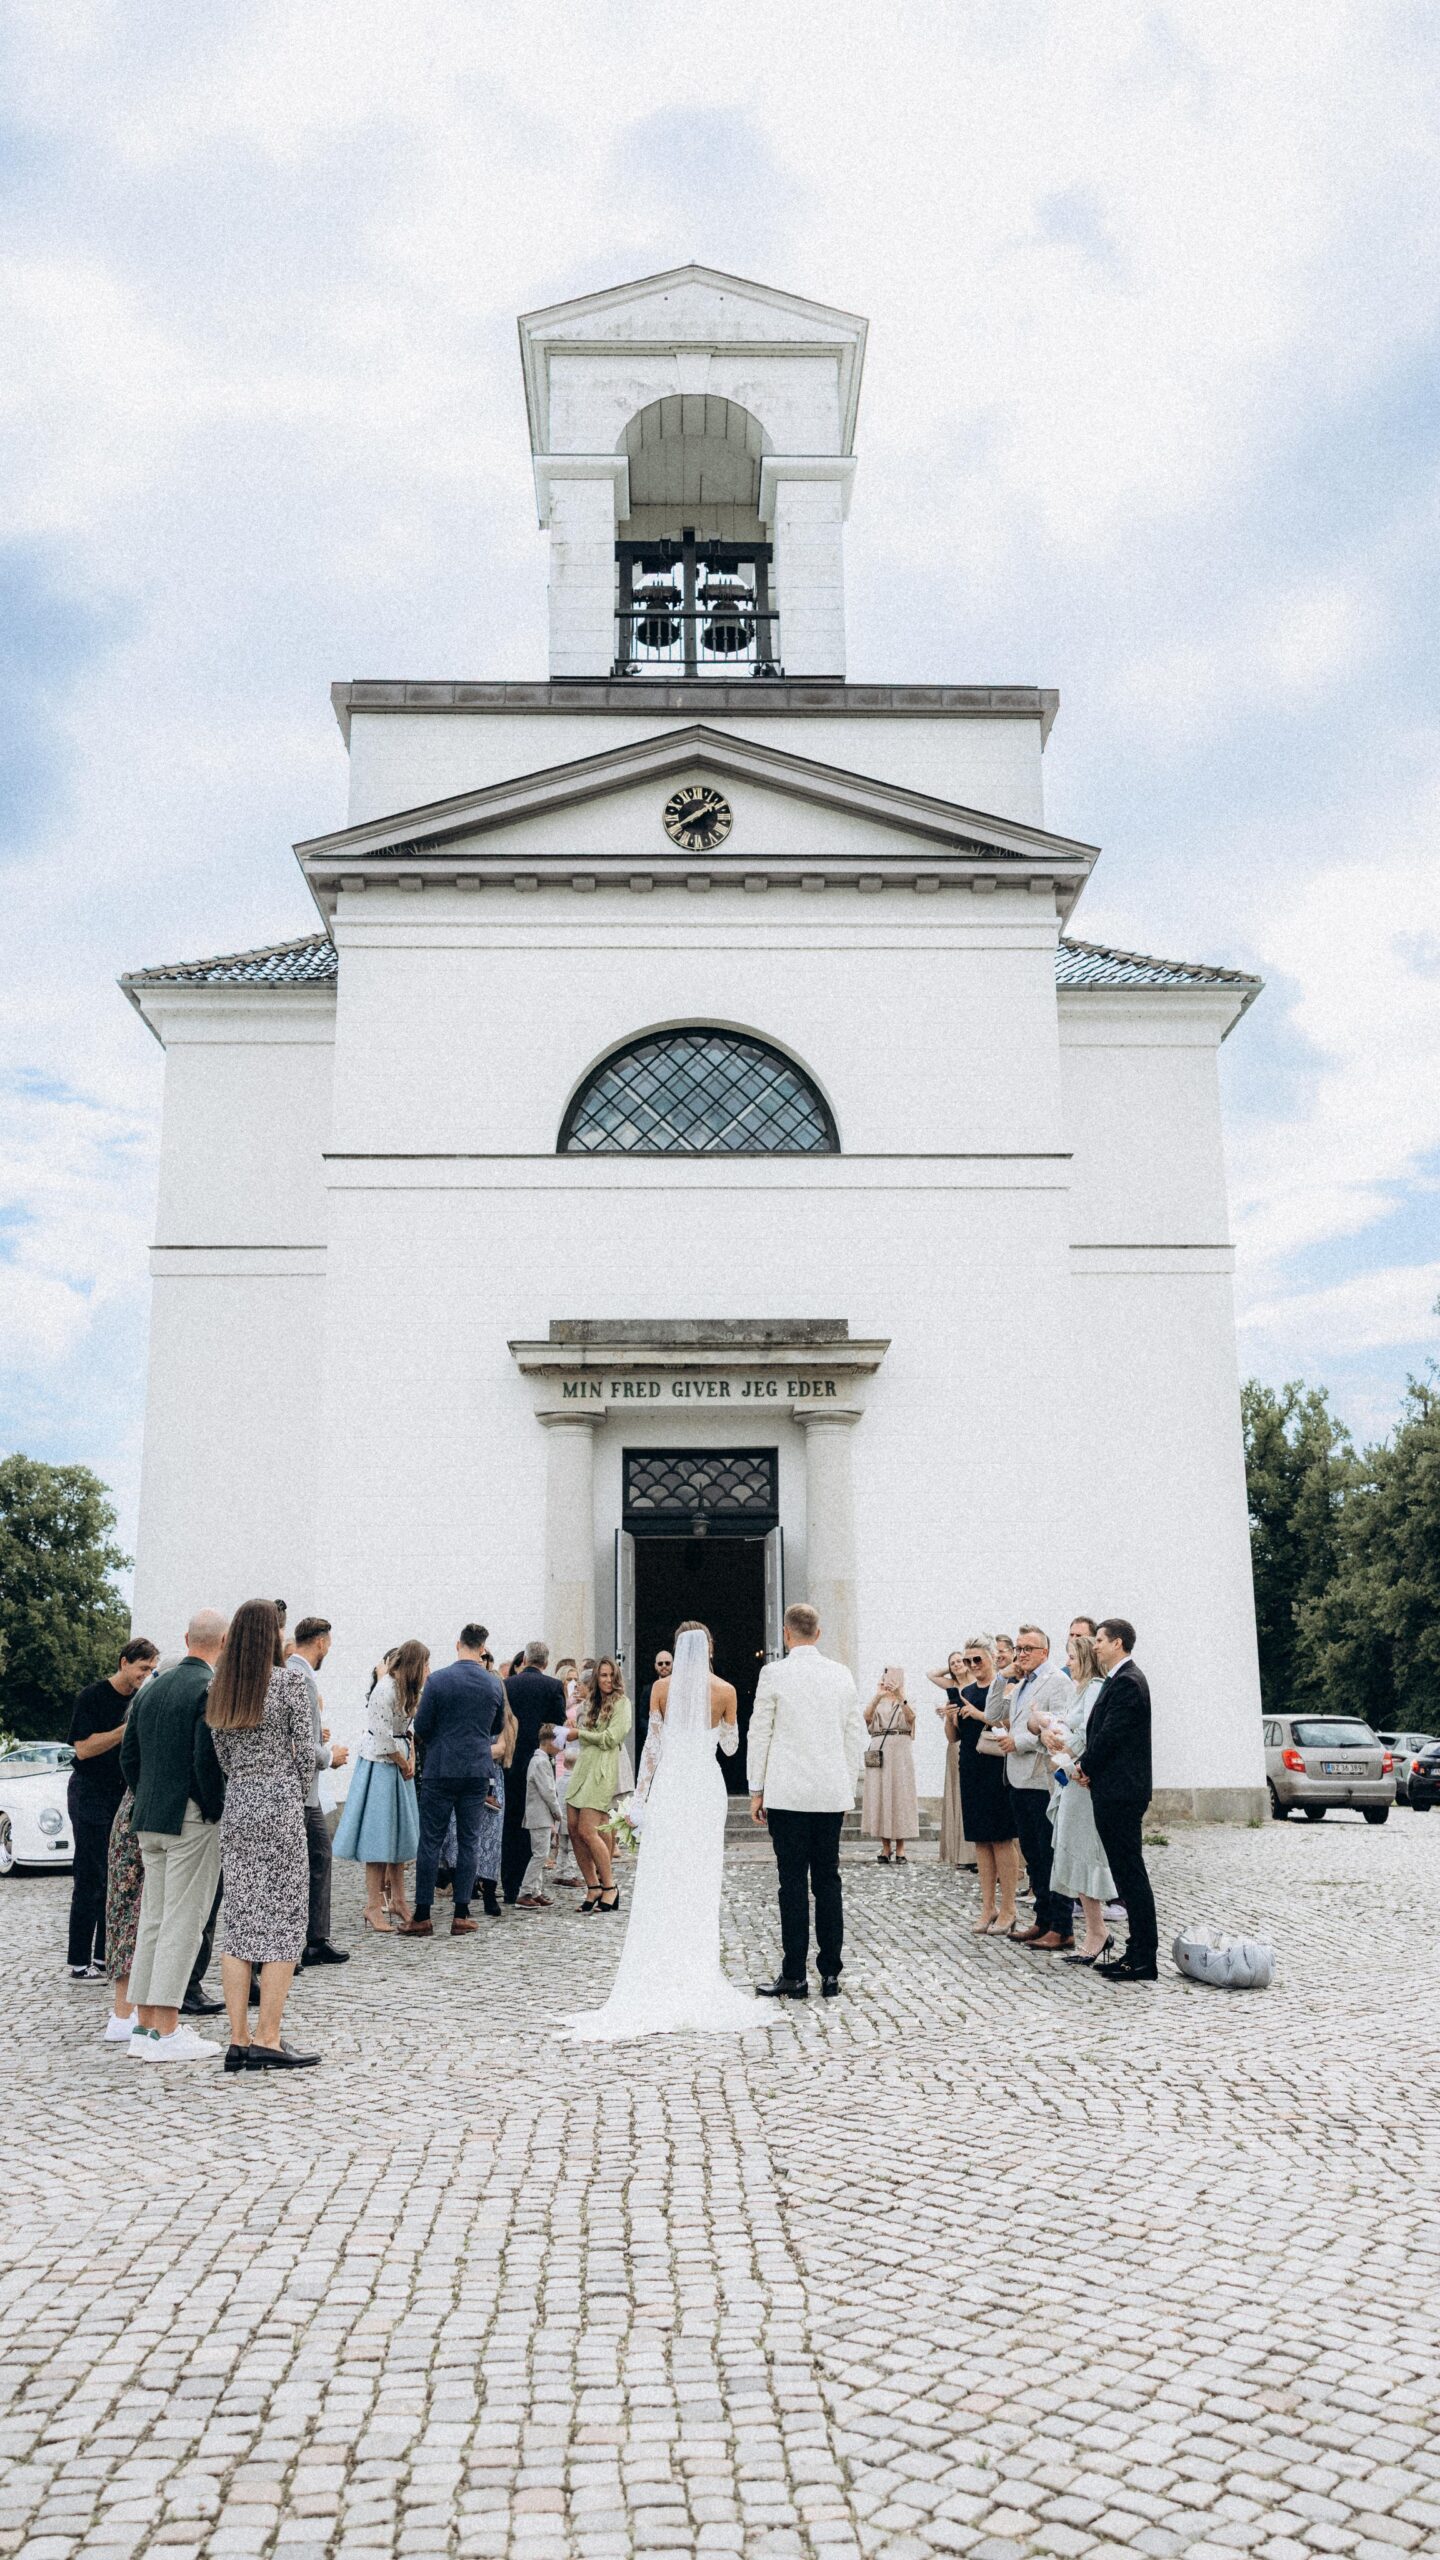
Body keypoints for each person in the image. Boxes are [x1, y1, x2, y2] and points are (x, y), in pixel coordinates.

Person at [563, 1625, 776, 2041]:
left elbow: (652, 1749)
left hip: (672, 1785)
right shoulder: (726, 1691)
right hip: (704, 1785)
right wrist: (718, 1726)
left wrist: (639, 1799)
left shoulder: (662, 1689)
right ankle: (695, 1968)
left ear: (678, 1651)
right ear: (710, 1648)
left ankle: (661, 1963)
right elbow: (731, 1748)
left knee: (664, 1877)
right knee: (700, 1880)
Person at [207, 1598, 319, 2069]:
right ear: (274, 1634)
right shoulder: (290, 1682)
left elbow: (222, 1754)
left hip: (239, 1804)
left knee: (239, 1919)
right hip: (279, 1804)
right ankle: (268, 2037)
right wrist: (300, 1777)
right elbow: (303, 1751)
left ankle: (238, 2038)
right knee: (286, 1918)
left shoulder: (221, 1687)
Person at [119, 1610, 229, 2061]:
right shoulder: (209, 1688)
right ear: (223, 1642)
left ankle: (143, 2026)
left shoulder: (151, 1686)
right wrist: (213, 1808)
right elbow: (207, 1759)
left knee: (155, 1919)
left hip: (149, 1814)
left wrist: (147, 1794)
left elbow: (128, 1756)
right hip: (190, 1815)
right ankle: (165, 2028)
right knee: (185, 1919)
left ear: (186, 1639)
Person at [748, 1601, 865, 1999]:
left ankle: (794, 1973)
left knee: (792, 1883)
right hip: (830, 1793)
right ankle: (830, 1972)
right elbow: (855, 1734)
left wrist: (756, 1787)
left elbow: (759, 1731)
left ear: (786, 1633)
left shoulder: (773, 1674)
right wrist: (848, 1784)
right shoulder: (841, 1675)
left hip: (788, 1792)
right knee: (829, 1880)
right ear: (818, 1633)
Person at [398, 1625, 503, 1939]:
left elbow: (424, 1725)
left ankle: (423, 1914)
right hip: (476, 1769)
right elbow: (495, 1725)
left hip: (442, 1767)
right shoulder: (493, 1683)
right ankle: (461, 1913)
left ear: (458, 1644)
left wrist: (440, 1742)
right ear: (483, 1648)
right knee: (469, 1841)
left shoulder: (439, 1680)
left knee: (430, 1840)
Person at [65, 1638, 158, 1980]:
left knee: (118, 1877)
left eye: (151, 1670)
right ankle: (78, 1960)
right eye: (141, 1668)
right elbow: (84, 1749)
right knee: (90, 1875)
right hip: (89, 1792)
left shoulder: (142, 1698)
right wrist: (125, 1730)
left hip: (123, 1794)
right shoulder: (91, 1697)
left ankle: (106, 1956)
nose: (145, 1676)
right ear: (123, 1663)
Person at [1075, 1618, 1157, 1982]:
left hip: (1121, 1791)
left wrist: (1084, 1765)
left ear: (1118, 1643)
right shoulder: (1119, 1680)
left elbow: (1111, 1735)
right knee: (1126, 1874)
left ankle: (1142, 1958)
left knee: (1130, 1875)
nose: (1095, 1646)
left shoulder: (1127, 1682)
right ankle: (1135, 1952)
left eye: (1101, 1640)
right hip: (1113, 1788)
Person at [993, 1624, 1074, 1952]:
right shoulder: (1021, 1682)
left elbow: (1060, 1724)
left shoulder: (1057, 1681)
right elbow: (992, 1713)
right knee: (1033, 1855)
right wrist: (1001, 1678)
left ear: (1045, 1651)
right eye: (1018, 1648)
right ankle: (1042, 1918)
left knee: (1049, 1853)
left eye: (1028, 1648)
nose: (1021, 1653)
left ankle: (1062, 1925)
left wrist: (1021, 1740)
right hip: (1017, 1778)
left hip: (1041, 1778)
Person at [334, 1643, 424, 1929]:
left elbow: (404, 1730)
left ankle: (399, 1899)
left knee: (399, 1836)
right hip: (382, 1766)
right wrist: (402, 1761)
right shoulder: (384, 1690)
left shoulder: (405, 1689)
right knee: (379, 1836)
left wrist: (409, 1755)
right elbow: (383, 1738)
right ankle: (373, 1905)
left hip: (399, 1763)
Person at [1040, 1630, 1116, 1963]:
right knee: (1072, 1849)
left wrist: (1065, 1742)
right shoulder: (1078, 1690)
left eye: (1071, 1656)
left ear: (1085, 1658)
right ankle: (1093, 1928)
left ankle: (1098, 1931)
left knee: (1084, 1851)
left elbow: (1089, 1732)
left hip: (1082, 1779)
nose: (1067, 1663)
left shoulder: (1095, 1689)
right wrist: (1053, 1733)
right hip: (1069, 1776)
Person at [287, 1616, 350, 1967]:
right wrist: (330, 1755)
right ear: (322, 1643)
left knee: (317, 1860)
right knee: (317, 1860)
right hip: (303, 1792)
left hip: (304, 1790)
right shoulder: (304, 1679)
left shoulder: (291, 1672)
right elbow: (303, 1746)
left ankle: (313, 1938)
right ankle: (311, 1940)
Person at [948, 1637, 1021, 1934]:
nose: (972, 1666)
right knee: (980, 1840)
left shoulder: (1005, 1688)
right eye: (968, 1661)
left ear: (992, 1657)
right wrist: (951, 1717)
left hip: (996, 1765)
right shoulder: (965, 1691)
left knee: (1002, 1838)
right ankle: (987, 1906)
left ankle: (1009, 1908)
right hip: (971, 1766)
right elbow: (953, 1737)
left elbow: (1007, 1722)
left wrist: (977, 1714)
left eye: (977, 1659)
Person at [565, 1656, 632, 1914]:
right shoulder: (590, 1703)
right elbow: (584, 1735)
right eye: (602, 1675)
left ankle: (610, 1886)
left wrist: (580, 1733)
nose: (606, 1680)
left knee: (588, 1830)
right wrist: (576, 1727)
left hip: (603, 1768)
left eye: (609, 1675)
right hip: (584, 1766)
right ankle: (592, 1885)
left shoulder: (622, 1704)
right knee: (572, 1826)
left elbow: (611, 1738)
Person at [501, 1641, 567, 1903]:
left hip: (512, 1759)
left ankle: (510, 1885)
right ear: (546, 1663)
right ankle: (531, 1888)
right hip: (538, 1758)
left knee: (512, 1821)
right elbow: (558, 1725)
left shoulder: (507, 1684)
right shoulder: (552, 1686)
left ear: (525, 1659)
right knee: (536, 1824)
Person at [861, 1667, 919, 1862]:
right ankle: (885, 1847)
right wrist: (877, 1696)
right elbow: (866, 1717)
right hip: (880, 1748)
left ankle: (901, 1847)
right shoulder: (878, 1702)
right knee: (881, 1795)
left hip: (900, 1750)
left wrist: (900, 1696)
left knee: (900, 1795)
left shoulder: (907, 1700)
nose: (887, 1681)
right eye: (885, 1677)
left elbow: (911, 1718)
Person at [472, 1689, 517, 1918]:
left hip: (491, 1782)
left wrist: (469, 1751)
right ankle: (468, 1889)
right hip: (470, 1777)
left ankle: (489, 1892)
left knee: (490, 1840)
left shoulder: (506, 1720)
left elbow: (500, 1749)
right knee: (467, 1837)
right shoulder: (473, 1715)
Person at [927, 1651, 973, 1872]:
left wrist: (964, 1662)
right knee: (957, 1794)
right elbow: (931, 1674)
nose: (956, 1665)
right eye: (952, 1662)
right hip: (954, 1742)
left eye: (959, 1661)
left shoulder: (976, 1683)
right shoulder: (951, 1687)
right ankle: (959, 1851)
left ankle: (972, 1851)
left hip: (972, 1742)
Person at [517, 1723, 562, 1908]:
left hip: (539, 1815)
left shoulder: (540, 1760)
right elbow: (548, 1791)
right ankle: (525, 1891)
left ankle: (536, 1891)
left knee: (540, 1853)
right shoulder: (540, 1762)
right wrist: (557, 1811)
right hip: (539, 1815)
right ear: (550, 1741)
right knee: (540, 1855)